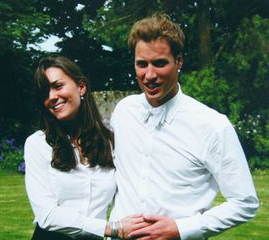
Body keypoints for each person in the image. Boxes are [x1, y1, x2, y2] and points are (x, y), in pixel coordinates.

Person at [109, 14, 259, 239]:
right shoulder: (123, 111)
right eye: (142, 64)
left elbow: (245, 202)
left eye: (160, 63)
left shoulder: (212, 126)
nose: (149, 75)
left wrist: (181, 229)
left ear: (179, 61)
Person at [24, 56, 146, 240]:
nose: (51, 97)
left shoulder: (110, 143)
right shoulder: (38, 144)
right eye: (44, 93)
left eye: (58, 86)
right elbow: (46, 215)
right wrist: (111, 229)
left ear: (81, 87)